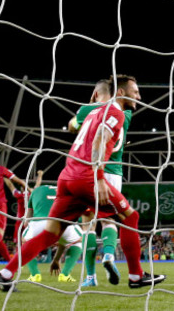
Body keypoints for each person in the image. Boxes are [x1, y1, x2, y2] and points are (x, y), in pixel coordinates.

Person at [0, 75, 165, 291]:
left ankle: (5, 273)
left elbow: (74, 126)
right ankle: (136, 276)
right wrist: (99, 177)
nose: (139, 96)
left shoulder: (92, 110)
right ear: (120, 93)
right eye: (135, 91)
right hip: (88, 177)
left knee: (50, 233)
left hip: (67, 177)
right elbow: (100, 139)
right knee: (130, 216)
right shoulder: (116, 112)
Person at [68, 77, 133, 287]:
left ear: (95, 94)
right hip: (114, 172)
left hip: (91, 171)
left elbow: (72, 126)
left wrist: (87, 106)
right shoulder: (125, 112)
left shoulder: (87, 110)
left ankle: (90, 277)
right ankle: (109, 255)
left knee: (87, 225)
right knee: (109, 221)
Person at [21, 183, 84, 283]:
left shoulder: (35, 191)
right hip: (63, 222)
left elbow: (26, 222)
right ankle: (65, 274)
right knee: (78, 241)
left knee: (25, 241)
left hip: (40, 222)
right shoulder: (66, 191)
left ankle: (34, 274)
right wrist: (56, 259)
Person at [6, 170, 43, 243]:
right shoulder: (33, 193)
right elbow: (38, 184)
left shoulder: (19, 195)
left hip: (20, 221)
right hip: (29, 221)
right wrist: (40, 175)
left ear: (21, 188)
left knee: (18, 243)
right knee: (30, 242)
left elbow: (10, 185)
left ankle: (18, 253)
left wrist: (5, 177)